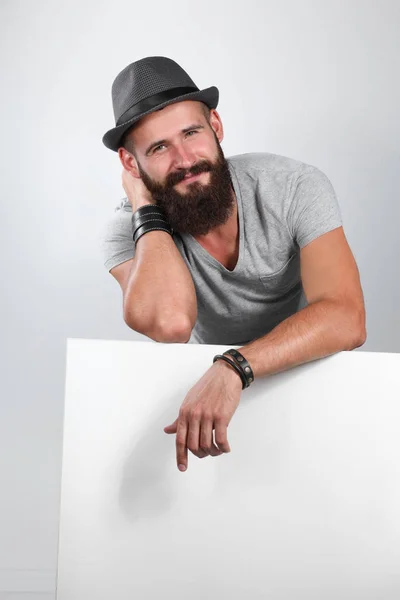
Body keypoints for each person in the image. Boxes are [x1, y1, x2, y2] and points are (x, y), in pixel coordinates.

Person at [101, 56, 366, 472]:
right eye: (158, 147)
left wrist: (234, 366)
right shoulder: (128, 232)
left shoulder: (293, 187)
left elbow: (347, 318)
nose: (185, 158)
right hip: (209, 404)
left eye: (192, 133)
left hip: (311, 377)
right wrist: (143, 208)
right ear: (131, 164)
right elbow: (171, 324)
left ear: (216, 127)